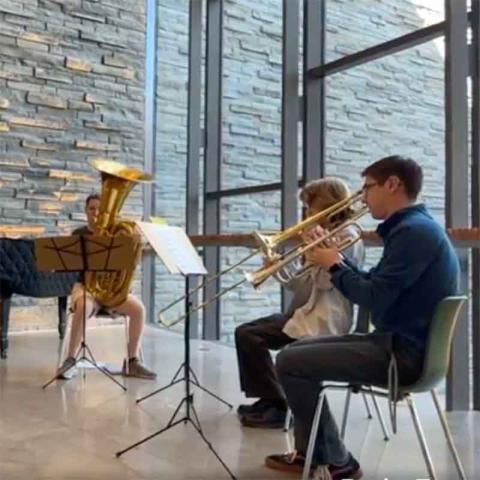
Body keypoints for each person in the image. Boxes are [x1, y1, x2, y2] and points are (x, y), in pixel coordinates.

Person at [264, 155, 460, 480]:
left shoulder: (414, 233)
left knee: (289, 362)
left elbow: (372, 297)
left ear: (393, 184)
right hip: (394, 343)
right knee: (291, 355)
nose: (363, 197)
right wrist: (336, 258)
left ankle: (333, 459)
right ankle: (315, 453)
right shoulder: (413, 229)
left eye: (367, 188)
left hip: (401, 354)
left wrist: (334, 265)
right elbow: (375, 285)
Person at [235, 178, 365, 428]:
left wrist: (317, 249)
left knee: (251, 336)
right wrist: (275, 267)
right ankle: (271, 399)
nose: (307, 214)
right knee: (246, 332)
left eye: (310, 208)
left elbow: (328, 282)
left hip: (325, 319)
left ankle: (277, 405)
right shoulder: (323, 235)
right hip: (305, 313)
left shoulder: (348, 236)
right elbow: (298, 284)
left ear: (327, 206)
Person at [57, 193, 157, 380]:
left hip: (111, 290)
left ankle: (132, 362)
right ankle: (70, 360)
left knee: (138, 310)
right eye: (91, 209)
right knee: (84, 306)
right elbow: (68, 265)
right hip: (86, 287)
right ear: (86, 211)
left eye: (99, 210)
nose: (95, 213)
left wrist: (134, 243)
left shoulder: (117, 234)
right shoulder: (79, 235)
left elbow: (129, 264)